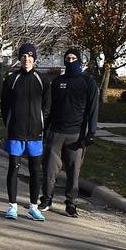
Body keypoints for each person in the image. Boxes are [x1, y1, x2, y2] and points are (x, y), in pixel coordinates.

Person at [41, 48, 98, 218]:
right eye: (67, 58)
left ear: (80, 60)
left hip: (76, 136)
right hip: (56, 133)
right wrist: (45, 129)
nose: (70, 60)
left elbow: (93, 109)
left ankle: (71, 204)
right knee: (50, 170)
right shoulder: (58, 82)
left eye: (74, 58)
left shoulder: (88, 82)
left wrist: (91, 133)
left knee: (74, 172)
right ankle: (46, 199)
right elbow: (50, 108)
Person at [0, 43, 50, 221]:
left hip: (36, 134)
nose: (26, 59)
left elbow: (46, 107)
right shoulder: (11, 79)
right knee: (13, 169)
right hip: (16, 133)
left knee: (36, 171)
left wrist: (41, 123)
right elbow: (5, 107)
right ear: (19, 58)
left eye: (29, 56)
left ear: (34, 58)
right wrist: (11, 124)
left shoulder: (42, 80)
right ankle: (12, 206)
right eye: (23, 56)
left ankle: (33, 206)